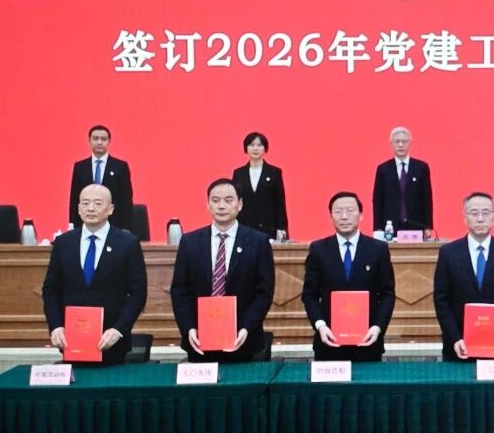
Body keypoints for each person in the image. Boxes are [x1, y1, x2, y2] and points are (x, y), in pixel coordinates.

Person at [170, 178, 275, 362]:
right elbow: (180, 290)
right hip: (199, 340)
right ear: (208, 204)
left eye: (228, 200)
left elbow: (264, 292)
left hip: (242, 341)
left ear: (239, 204)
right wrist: (188, 328)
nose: (221, 206)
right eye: (215, 200)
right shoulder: (190, 242)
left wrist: (246, 327)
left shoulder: (258, 242)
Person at [42, 184, 147, 365]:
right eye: (85, 203)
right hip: (71, 340)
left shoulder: (127, 243)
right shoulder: (63, 243)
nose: (90, 208)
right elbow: (51, 290)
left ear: (110, 209)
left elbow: (138, 293)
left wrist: (118, 330)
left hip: (111, 342)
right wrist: (56, 326)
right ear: (78, 208)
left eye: (98, 203)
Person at [301, 192, 396, 362]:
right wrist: (320, 326)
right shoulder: (319, 249)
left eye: (350, 210)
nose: (344, 216)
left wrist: (378, 327)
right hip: (329, 343)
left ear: (361, 215)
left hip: (368, 343)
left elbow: (387, 294)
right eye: (338, 211)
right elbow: (309, 295)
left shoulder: (378, 249)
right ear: (331, 217)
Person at [432, 192, 494, 361]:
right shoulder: (449, 253)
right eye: (474, 213)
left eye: (486, 213)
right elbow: (441, 301)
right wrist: (454, 338)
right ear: (464, 218)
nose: (480, 219)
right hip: (459, 348)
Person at [68, 125, 134, 235]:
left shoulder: (120, 166)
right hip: (86, 224)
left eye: (103, 139)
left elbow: (126, 199)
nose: (99, 142)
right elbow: (74, 198)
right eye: (95, 138)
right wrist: (73, 225)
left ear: (109, 141)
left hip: (114, 224)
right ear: (89, 141)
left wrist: (126, 228)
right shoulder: (80, 167)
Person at [372, 126, 433, 233]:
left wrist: (428, 226)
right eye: (397, 141)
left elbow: (427, 199)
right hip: (390, 226)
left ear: (409, 143)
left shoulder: (421, 167)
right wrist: (377, 228)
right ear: (391, 144)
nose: (400, 145)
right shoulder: (383, 169)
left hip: (416, 224)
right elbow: (378, 200)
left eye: (404, 141)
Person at [232, 131, 288, 240]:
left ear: (265, 149)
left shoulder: (274, 173)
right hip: (244, 227)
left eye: (259, 145)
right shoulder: (238, 173)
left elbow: (280, 203)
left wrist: (282, 229)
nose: (255, 148)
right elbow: (235, 201)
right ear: (246, 148)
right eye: (252, 145)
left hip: (268, 228)